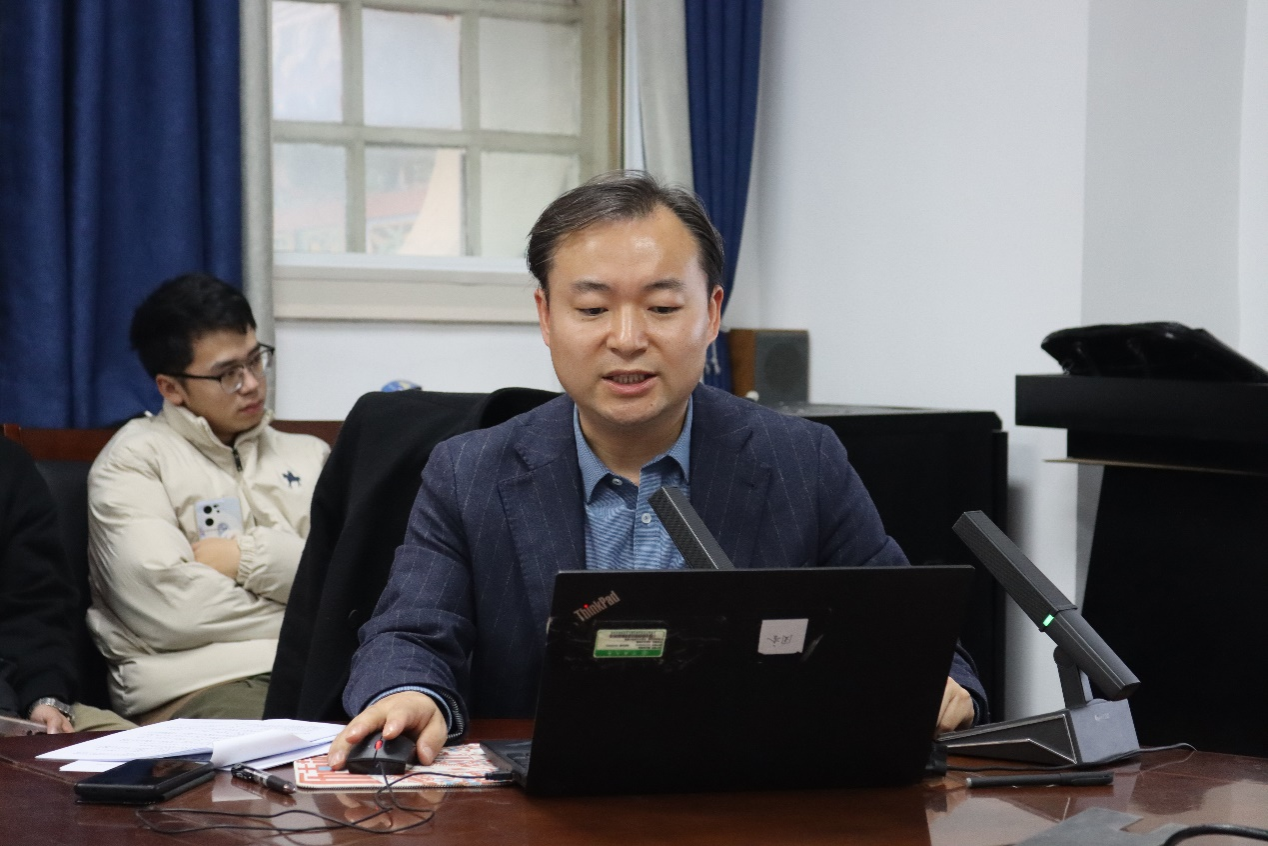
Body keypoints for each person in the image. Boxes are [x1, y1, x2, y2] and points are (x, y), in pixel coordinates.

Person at [329, 171, 986, 769]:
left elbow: (910, 636)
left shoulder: (802, 462)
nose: (627, 339)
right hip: (545, 807)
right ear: (546, 317)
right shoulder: (470, 471)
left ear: (712, 313)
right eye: (592, 309)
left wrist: (938, 684)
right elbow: (411, 631)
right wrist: (408, 693)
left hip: (752, 797)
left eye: (663, 308)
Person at [86, 273, 329, 722]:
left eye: (255, 360)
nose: (251, 384)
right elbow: (173, 610)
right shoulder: (133, 461)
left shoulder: (311, 455)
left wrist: (247, 559)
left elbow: (356, 584)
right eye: (227, 374)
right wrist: (314, 613)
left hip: (319, 672)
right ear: (171, 388)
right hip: (200, 689)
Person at [0, 437, 133, 733]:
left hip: (18, 704)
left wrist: (43, 696)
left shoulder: (8, 464)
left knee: (153, 756)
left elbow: (37, 604)